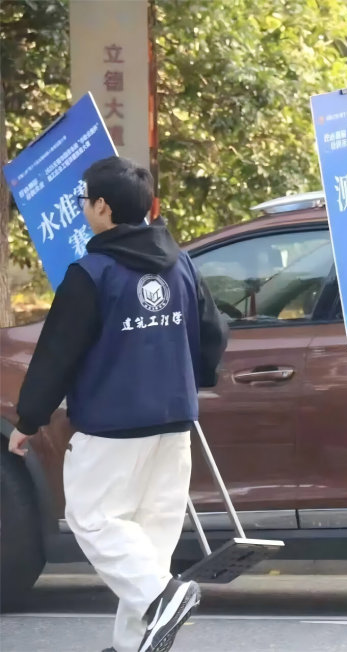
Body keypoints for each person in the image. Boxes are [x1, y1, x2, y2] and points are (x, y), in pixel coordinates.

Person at [8, 157, 229, 652]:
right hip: (174, 422)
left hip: (112, 426)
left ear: (103, 207)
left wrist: (30, 419)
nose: (84, 208)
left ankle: (164, 596)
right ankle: (134, 642)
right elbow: (214, 333)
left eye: (85, 201)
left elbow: (57, 353)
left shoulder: (92, 274)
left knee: (94, 520)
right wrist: (185, 379)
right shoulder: (181, 264)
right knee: (150, 537)